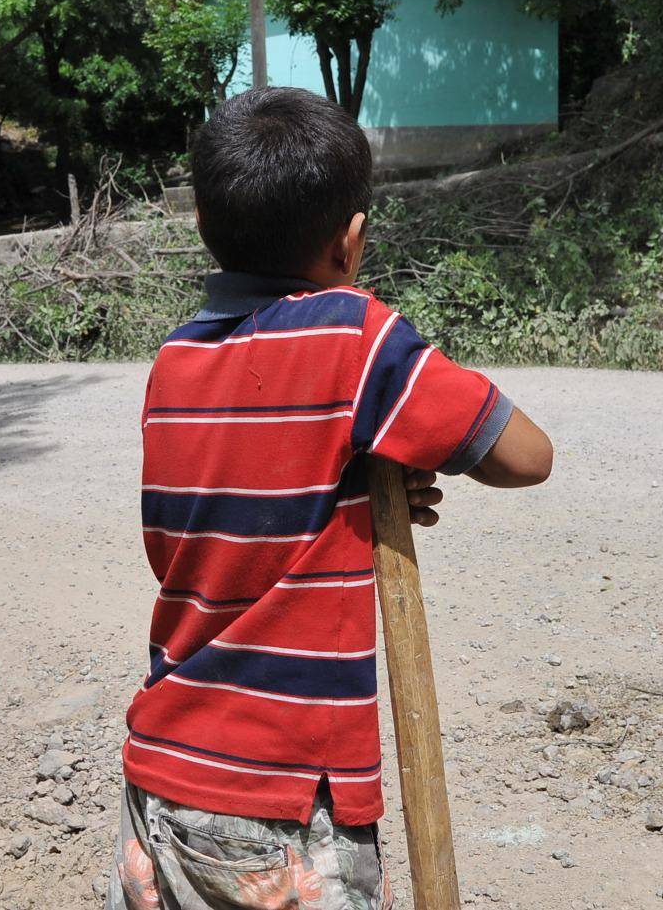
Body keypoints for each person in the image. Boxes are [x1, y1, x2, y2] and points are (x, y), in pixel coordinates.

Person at [108, 87, 553, 910]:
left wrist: (353, 487)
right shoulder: (355, 336)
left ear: (202, 226)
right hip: (284, 803)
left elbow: (223, 523)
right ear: (351, 241)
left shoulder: (173, 360)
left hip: (159, 783)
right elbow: (526, 455)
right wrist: (397, 450)